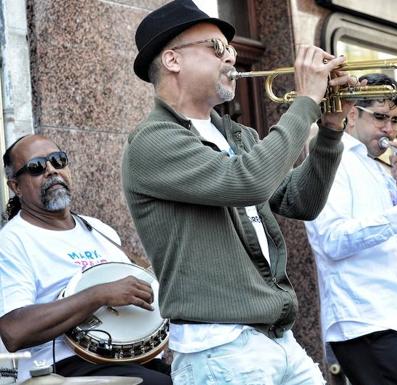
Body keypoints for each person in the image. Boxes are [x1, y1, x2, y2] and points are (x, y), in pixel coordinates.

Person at [122, 1, 357, 384]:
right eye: (217, 48)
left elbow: (302, 201)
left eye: (231, 49)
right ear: (172, 60)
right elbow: (249, 182)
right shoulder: (153, 141)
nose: (231, 57)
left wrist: (330, 129)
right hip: (220, 348)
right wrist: (306, 102)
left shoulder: (238, 135)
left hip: (278, 339)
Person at [304, 73, 397, 385]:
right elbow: (332, 239)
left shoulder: (378, 167)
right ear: (353, 114)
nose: (390, 130)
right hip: (364, 319)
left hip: (393, 317)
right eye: (381, 118)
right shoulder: (333, 159)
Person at [0, 134, 171, 384]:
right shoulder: (12, 241)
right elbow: (14, 332)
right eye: (37, 167)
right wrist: (99, 294)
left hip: (130, 360)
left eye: (58, 161)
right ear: (16, 187)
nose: (51, 170)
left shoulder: (99, 229)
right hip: (58, 366)